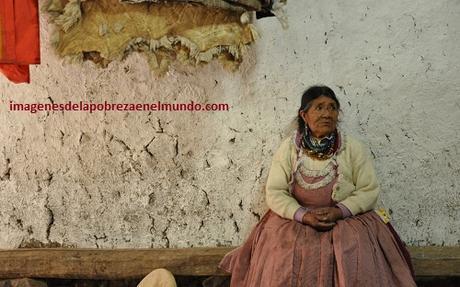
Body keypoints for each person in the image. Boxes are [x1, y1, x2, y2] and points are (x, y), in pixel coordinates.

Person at [218, 85, 416, 287]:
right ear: (304, 115)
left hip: (346, 219)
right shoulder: (289, 148)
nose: (327, 114)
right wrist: (303, 215)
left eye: (332, 108)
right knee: (283, 252)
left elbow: (368, 190)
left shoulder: (353, 148)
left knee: (354, 251)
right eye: (319, 108)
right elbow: (275, 191)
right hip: (296, 219)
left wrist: (339, 212)